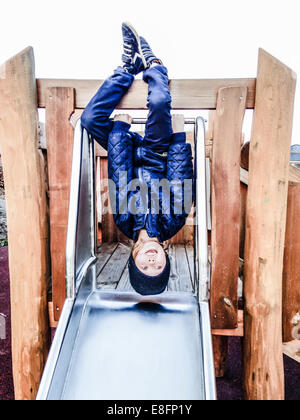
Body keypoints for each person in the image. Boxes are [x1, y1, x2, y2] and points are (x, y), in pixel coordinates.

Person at [81, 22, 193, 295]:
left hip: (129, 152)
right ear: (166, 259)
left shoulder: (124, 221)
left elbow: (119, 172)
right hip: (158, 151)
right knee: (158, 102)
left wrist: (119, 129)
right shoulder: (173, 220)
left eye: (145, 266)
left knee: (89, 119)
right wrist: (178, 138)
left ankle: (126, 69)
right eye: (158, 267)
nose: (152, 261)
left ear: (134, 259)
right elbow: (180, 175)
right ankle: (154, 65)